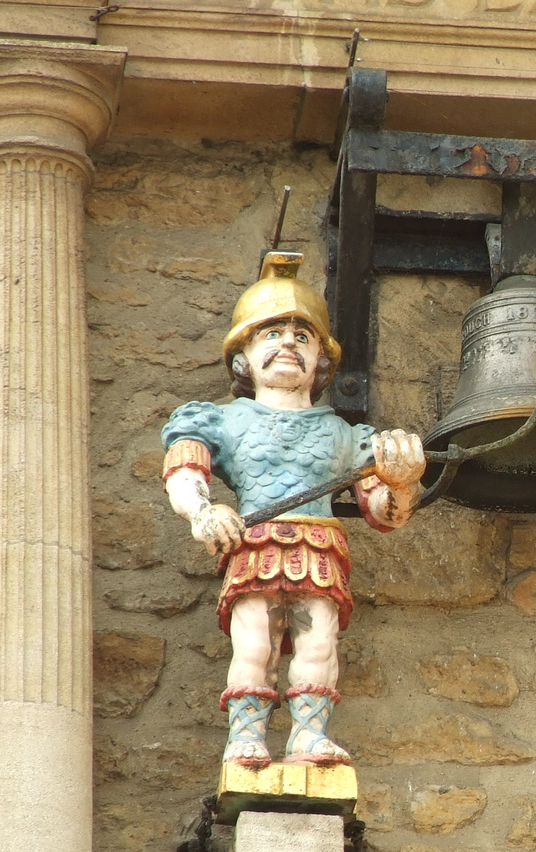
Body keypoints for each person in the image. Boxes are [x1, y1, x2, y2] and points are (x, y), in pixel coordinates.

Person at [160, 251, 426, 767]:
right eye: (271, 335)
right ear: (244, 358)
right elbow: (185, 469)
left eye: (302, 337)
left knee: (318, 644)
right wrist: (202, 513)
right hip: (253, 544)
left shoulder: (346, 436)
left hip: (320, 546)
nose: (288, 344)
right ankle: (245, 738)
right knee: (254, 645)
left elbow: (385, 510)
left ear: (321, 361)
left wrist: (404, 483)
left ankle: (308, 737)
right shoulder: (220, 421)